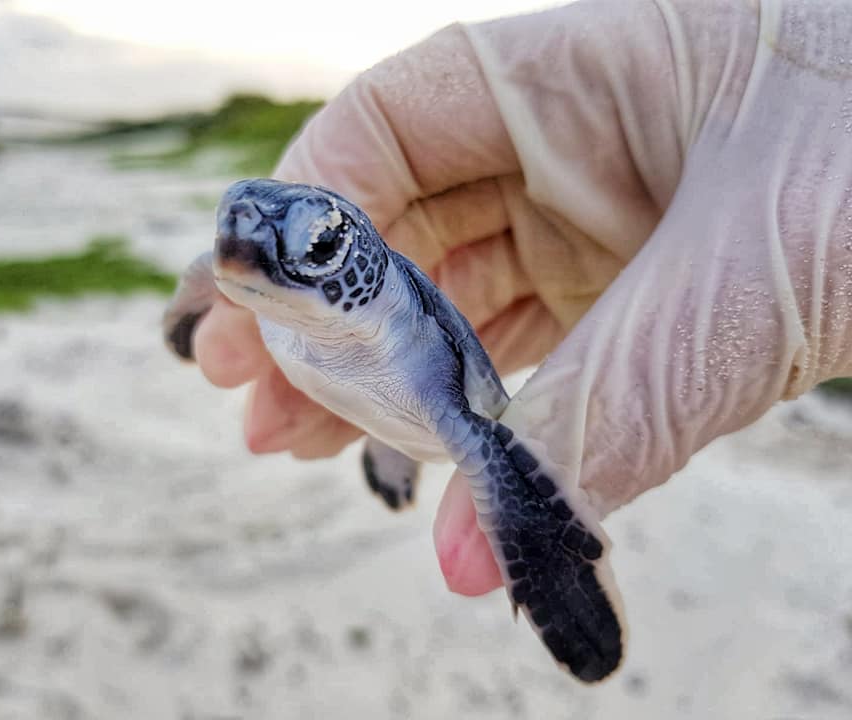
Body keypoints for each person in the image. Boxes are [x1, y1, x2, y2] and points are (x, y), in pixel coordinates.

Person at [187, 0, 852, 597]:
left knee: (473, 458)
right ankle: (388, 448)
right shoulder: (259, 288)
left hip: (430, 397)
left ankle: (393, 451)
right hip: (357, 384)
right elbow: (224, 271)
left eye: (323, 245)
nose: (251, 257)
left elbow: (480, 438)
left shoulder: (409, 350)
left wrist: (547, 563)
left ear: (362, 266)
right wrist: (199, 293)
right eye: (232, 235)